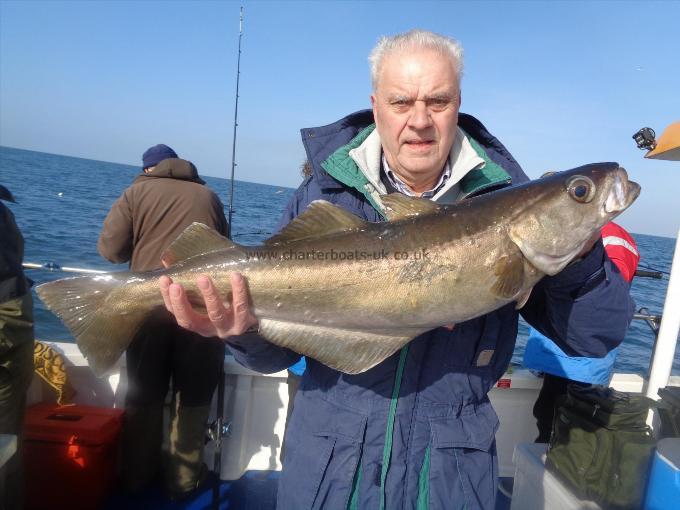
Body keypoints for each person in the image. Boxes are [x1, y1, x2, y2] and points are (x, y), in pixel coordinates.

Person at [158, 31, 635, 509]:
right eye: (402, 101)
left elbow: (597, 336)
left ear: (458, 103)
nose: (420, 120)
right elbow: (271, 358)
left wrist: (582, 253)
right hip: (326, 475)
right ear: (376, 104)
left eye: (439, 100)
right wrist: (238, 331)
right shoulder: (324, 196)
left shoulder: (508, 197)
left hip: (450, 482)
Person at [97, 145, 229, 498]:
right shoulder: (209, 195)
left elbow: (111, 251)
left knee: (144, 395)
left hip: (147, 310)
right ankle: (183, 482)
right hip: (199, 312)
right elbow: (226, 252)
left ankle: (137, 477)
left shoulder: (135, 192)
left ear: (148, 168)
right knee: (194, 396)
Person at [524, 222, 640, 442]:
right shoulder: (604, 234)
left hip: (579, 360)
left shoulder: (611, 237)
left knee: (566, 426)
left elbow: (603, 298)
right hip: (562, 354)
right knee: (549, 417)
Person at [0, 185, 35, 510]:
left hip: (6, 320)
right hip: (17, 315)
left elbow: (110, 248)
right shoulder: (4, 210)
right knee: (8, 435)